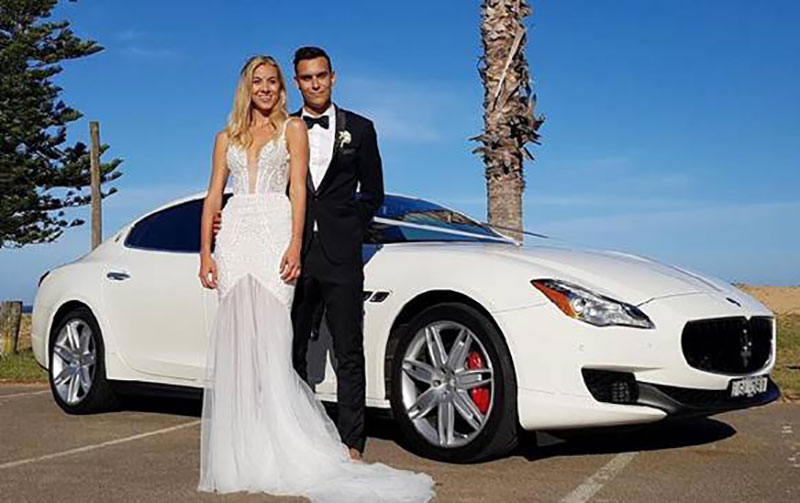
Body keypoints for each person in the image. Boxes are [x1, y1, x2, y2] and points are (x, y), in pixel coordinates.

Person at [197, 55, 434, 502]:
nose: (266, 88)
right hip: (250, 243)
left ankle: (349, 445)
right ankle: (245, 448)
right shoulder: (236, 134)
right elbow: (215, 195)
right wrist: (206, 251)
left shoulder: (329, 130)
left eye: (273, 81)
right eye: (258, 82)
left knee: (332, 346)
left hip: (302, 246)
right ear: (247, 87)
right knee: (259, 348)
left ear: (329, 78)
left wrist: (339, 230)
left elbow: (333, 190)